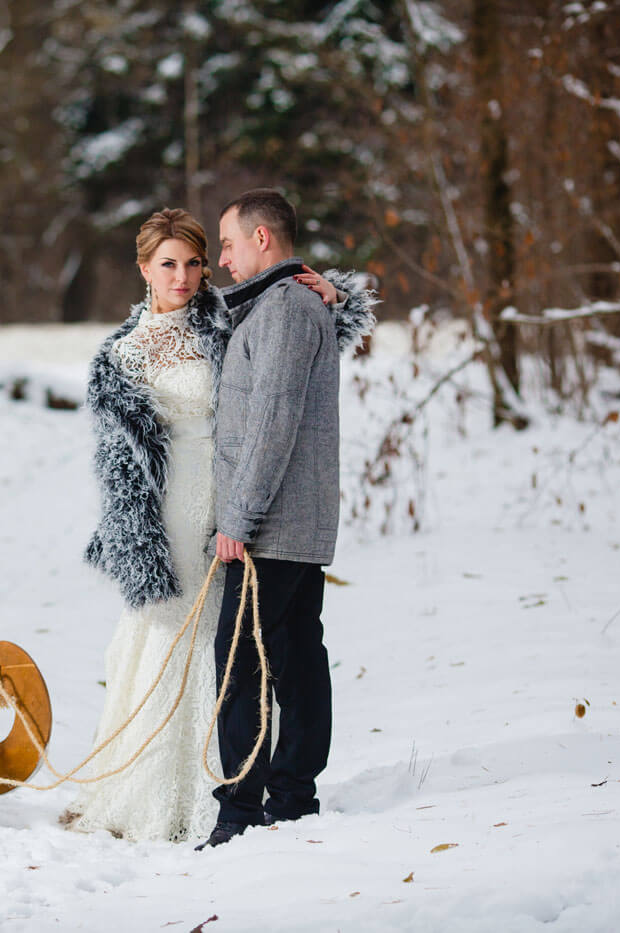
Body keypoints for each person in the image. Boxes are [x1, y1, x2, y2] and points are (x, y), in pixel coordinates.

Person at [63, 207, 373, 843]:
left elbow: (299, 354)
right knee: (169, 630)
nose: (183, 276)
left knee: (235, 645)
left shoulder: (227, 316)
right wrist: (131, 532)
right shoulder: (120, 354)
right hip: (171, 507)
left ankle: (235, 789)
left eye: (195, 262)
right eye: (168, 264)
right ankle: (155, 791)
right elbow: (119, 463)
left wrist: (336, 296)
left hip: (236, 495)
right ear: (145, 268)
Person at [201, 189, 374, 849]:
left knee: (240, 659)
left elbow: (272, 424)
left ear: (263, 239)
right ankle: (295, 794)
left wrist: (237, 518)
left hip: (270, 526)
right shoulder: (294, 305)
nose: (223, 258)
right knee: (296, 653)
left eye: (228, 243)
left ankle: (241, 809)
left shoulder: (284, 310)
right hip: (294, 525)